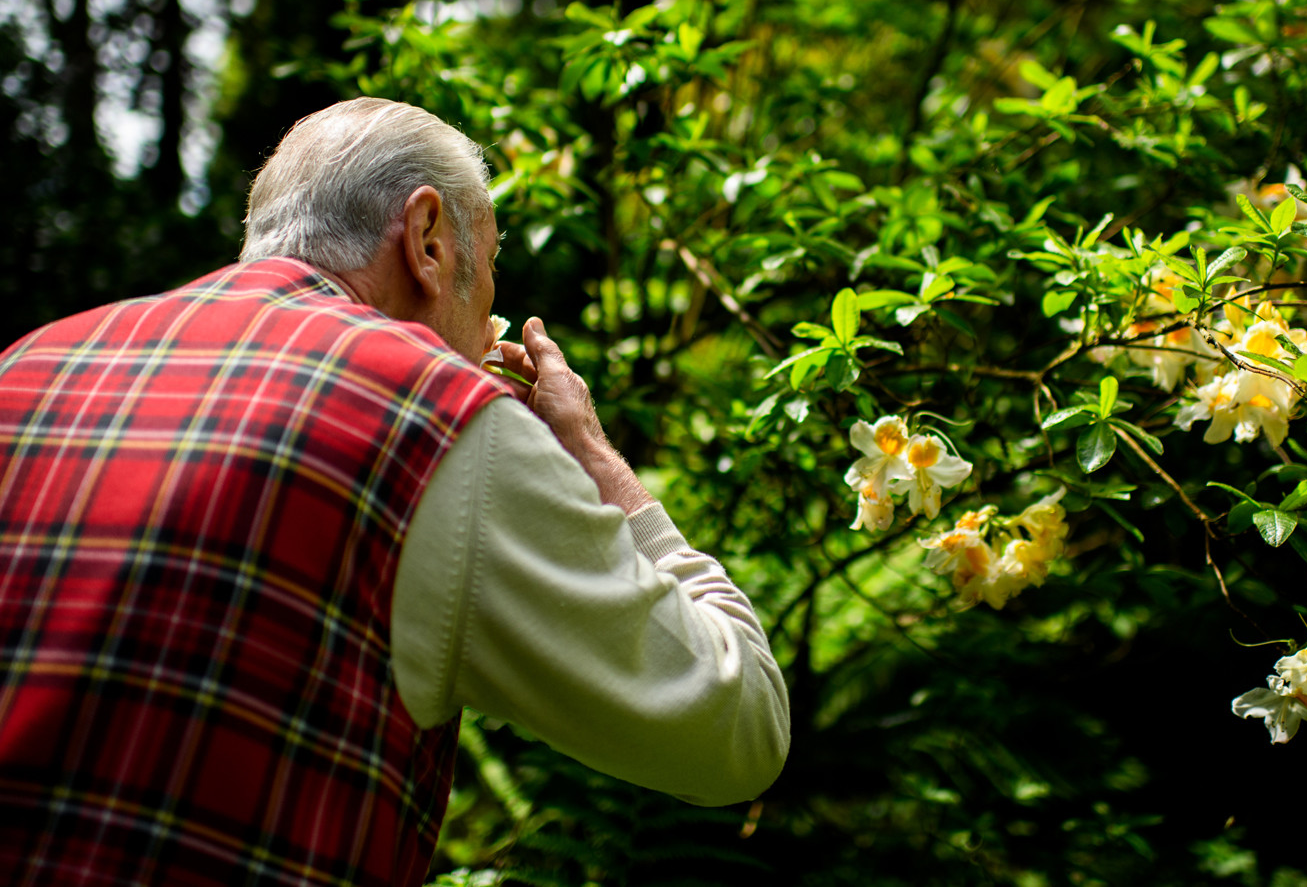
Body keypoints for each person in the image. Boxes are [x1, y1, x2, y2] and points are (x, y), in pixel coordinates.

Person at [0, 98, 789, 886]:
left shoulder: (23, 367)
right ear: (426, 242)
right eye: (485, 300)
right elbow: (739, 726)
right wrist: (587, 450)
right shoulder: (437, 419)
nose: (486, 340)